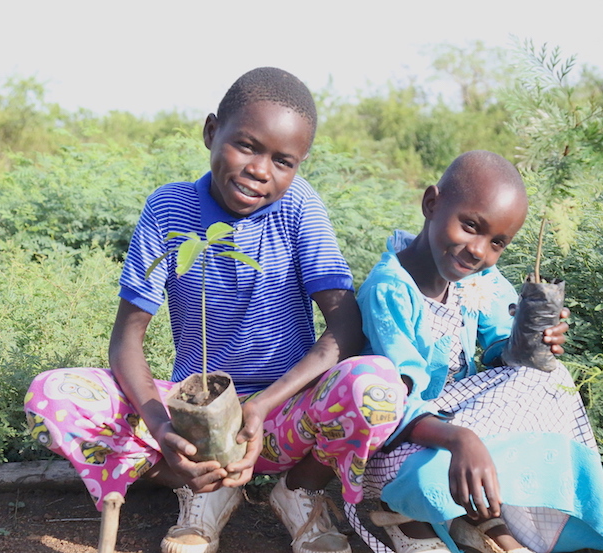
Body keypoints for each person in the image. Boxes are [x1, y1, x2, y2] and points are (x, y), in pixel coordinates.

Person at [24, 67, 405, 553]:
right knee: (52, 395)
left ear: (298, 166)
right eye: (246, 146)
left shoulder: (299, 209)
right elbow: (126, 341)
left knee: (376, 384)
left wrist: (263, 403)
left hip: (284, 417)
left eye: (283, 161)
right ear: (211, 132)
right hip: (193, 421)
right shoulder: (169, 209)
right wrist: (164, 428)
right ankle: (201, 486)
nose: (260, 170)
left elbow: (344, 327)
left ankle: (300, 491)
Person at [352, 151, 603, 553]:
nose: (479, 251)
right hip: (393, 439)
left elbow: (502, 349)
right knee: (433, 481)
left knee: (550, 378)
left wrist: (535, 338)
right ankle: (410, 515)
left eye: (496, 242)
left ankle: (484, 522)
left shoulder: (478, 275)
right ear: (431, 204)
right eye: (470, 226)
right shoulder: (389, 290)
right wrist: (461, 440)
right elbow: (397, 403)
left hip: (454, 422)